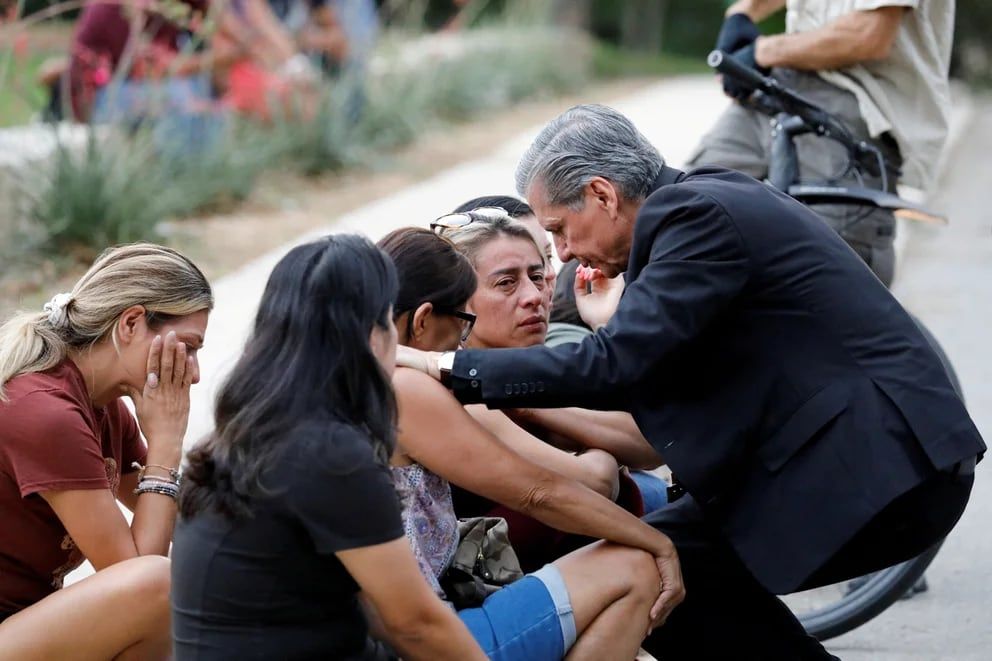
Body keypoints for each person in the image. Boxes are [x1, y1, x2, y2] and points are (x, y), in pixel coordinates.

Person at [397, 104, 985, 659]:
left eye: (560, 229)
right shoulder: (696, 209)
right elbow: (644, 373)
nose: (565, 253)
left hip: (875, 467)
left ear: (602, 195)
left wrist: (444, 367)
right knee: (660, 563)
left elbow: (613, 367)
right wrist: (609, 330)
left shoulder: (693, 217)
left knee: (655, 564)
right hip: (860, 461)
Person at [172, 234, 485, 660]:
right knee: (588, 576)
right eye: (388, 320)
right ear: (369, 336)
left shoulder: (250, 433)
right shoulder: (328, 453)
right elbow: (415, 624)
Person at [378, 227, 679, 659]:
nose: (534, 297)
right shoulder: (407, 386)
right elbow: (540, 491)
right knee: (638, 563)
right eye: (463, 323)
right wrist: (660, 545)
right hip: (432, 640)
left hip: (421, 626)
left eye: (539, 276)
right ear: (423, 319)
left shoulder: (365, 379)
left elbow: (643, 444)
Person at [0, 243, 212, 659]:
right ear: (131, 322)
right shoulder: (45, 412)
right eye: (188, 347)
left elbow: (182, 516)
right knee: (159, 585)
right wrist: (166, 445)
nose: (195, 373)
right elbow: (137, 577)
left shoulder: (104, 407)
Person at [691, 0, 955, 287]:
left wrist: (762, 51)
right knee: (687, 216)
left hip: (857, 102)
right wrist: (743, 12)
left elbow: (869, 34)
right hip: (782, 81)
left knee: (824, 274)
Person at [439, 206, 668, 514]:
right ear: (457, 300)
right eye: (506, 282)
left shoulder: (539, 367)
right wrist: (601, 451)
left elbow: (652, 445)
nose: (534, 295)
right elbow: (597, 483)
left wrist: (604, 325)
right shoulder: (454, 386)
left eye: (537, 276)